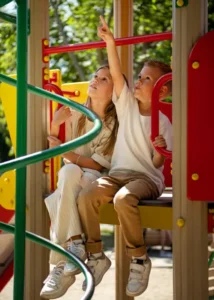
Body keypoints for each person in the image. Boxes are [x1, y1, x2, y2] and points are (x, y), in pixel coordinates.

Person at [76, 16, 173, 297]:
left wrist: (159, 149)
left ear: (162, 90)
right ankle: (96, 254)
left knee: (123, 200)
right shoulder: (126, 104)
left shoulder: (163, 122)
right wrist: (110, 42)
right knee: (86, 196)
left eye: (147, 79)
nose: (139, 81)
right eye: (140, 77)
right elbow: (117, 74)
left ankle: (140, 259)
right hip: (117, 174)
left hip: (146, 179)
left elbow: (158, 165)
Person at [40, 64, 119, 299]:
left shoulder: (113, 123)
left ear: (113, 92)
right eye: (95, 76)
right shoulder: (77, 114)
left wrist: (63, 152)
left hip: (97, 181)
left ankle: (61, 263)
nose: (95, 80)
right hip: (73, 177)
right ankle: (74, 244)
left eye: (104, 79)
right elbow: (60, 149)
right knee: (67, 175)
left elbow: (96, 165)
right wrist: (55, 124)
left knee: (59, 194)